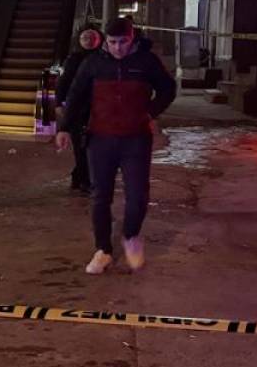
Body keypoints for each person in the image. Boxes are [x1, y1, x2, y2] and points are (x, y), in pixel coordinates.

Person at [56, 18, 176, 274]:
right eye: (112, 42)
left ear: (132, 39)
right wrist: (64, 127)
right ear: (105, 41)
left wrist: (150, 112)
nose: (118, 48)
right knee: (101, 196)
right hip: (100, 139)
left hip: (136, 139)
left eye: (123, 42)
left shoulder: (146, 62)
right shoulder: (93, 63)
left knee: (138, 195)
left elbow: (168, 89)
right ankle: (103, 250)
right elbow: (75, 94)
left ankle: (131, 236)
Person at [55, 26, 102, 194]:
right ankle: (83, 179)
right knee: (80, 146)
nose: (88, 41)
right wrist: (59, 103)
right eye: (85, 38)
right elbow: (65, 82)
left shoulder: (103, 59)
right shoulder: (74, 59)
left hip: (97, 110)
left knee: (90, 147)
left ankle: (81, 177)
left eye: (92, 38)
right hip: (78, 109)